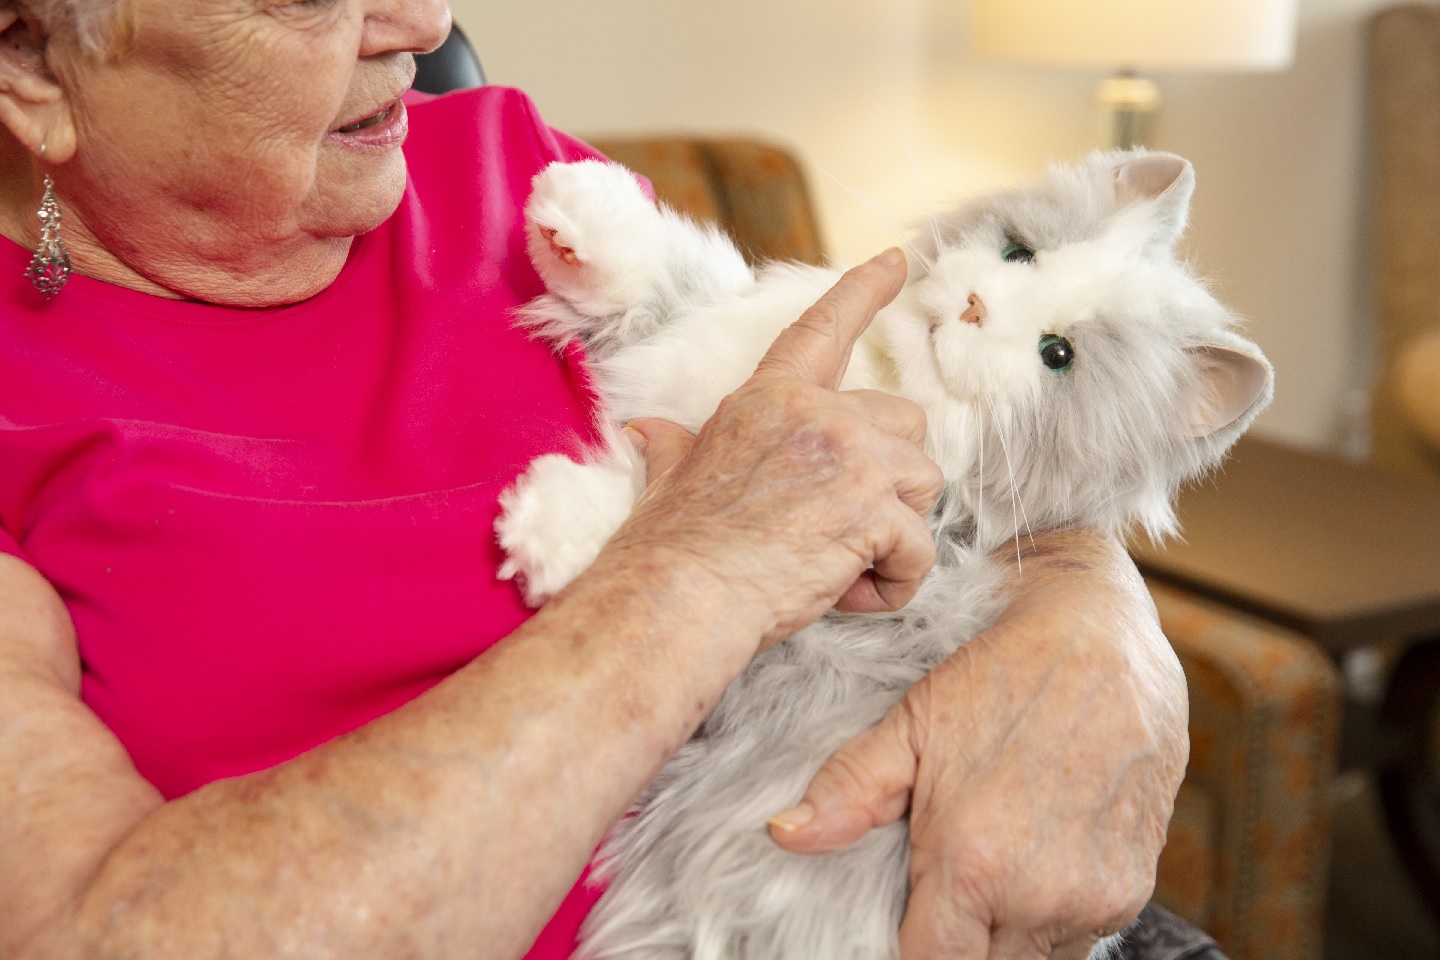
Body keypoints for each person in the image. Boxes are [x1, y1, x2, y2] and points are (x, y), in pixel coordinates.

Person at [0, 1, 1209, 958]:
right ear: (33, 61)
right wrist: (697, 573)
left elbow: (906, 425)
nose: (426, 25)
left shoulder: (497, 164)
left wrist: (1097, 623)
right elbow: (98, 935)